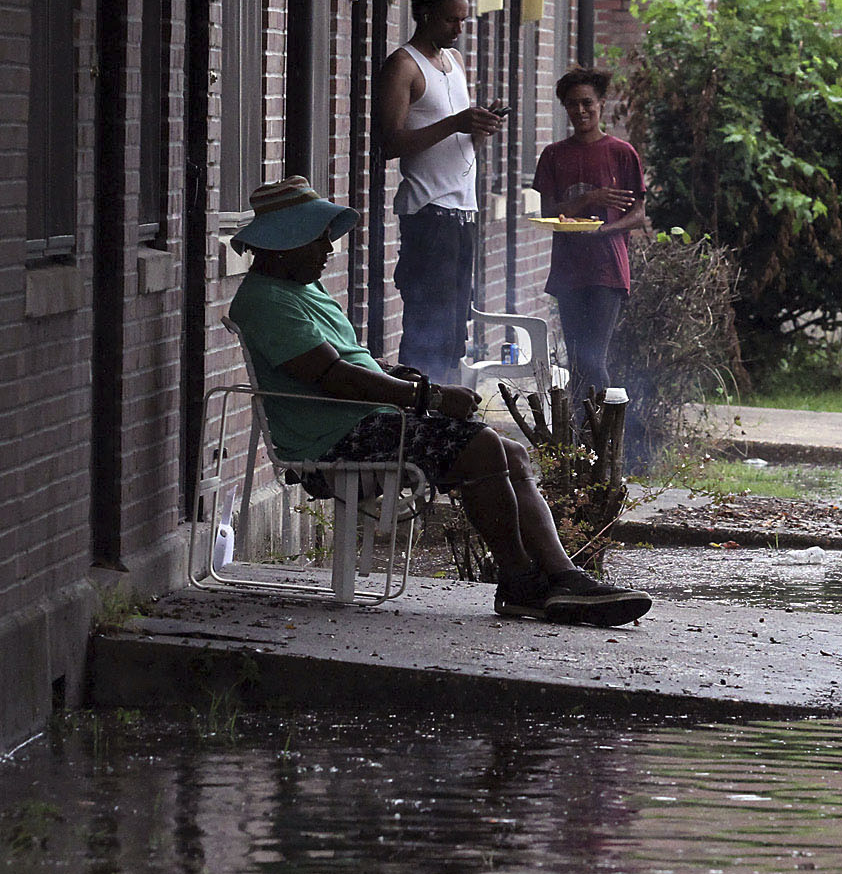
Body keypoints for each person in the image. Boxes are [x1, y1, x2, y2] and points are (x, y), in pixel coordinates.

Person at [226, 175, 652, 627]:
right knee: (482, 447)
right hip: (333, 437)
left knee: (511, 451)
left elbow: (349, 362)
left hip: (365, 421)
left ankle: (563, 576)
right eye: (317, 241)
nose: (328, 251)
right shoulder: (265, 301)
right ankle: (519, 580)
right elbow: (333, 377)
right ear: (279, 246)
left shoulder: (301, 288)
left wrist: (392, 373)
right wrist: (425, 395)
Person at [376, 0, 504, 385]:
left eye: (465, 19)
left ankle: (446, 421)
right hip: (429, 215)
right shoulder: (403, 65)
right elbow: (389, 143)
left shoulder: (455, 62)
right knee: (426, 331)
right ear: (425, 14)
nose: (459, 28)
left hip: (464, 211)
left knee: (453, 334)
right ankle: (415, 425)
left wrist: (479, 128)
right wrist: (455, 123)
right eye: (452, 19)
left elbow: (459, 145)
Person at [533, 66, 646, 404]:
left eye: (587, 103)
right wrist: (590, 199)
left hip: (607, 270)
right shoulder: (554, 155)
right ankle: (582, 444)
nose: (580, 112)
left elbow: (638, 215)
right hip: (568, 270)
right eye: (571, 105)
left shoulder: (621, 153)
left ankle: (601, 438)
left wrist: (602, 230)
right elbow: (549, 213)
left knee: (593, 358)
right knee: (578, 360)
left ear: (601, 104)